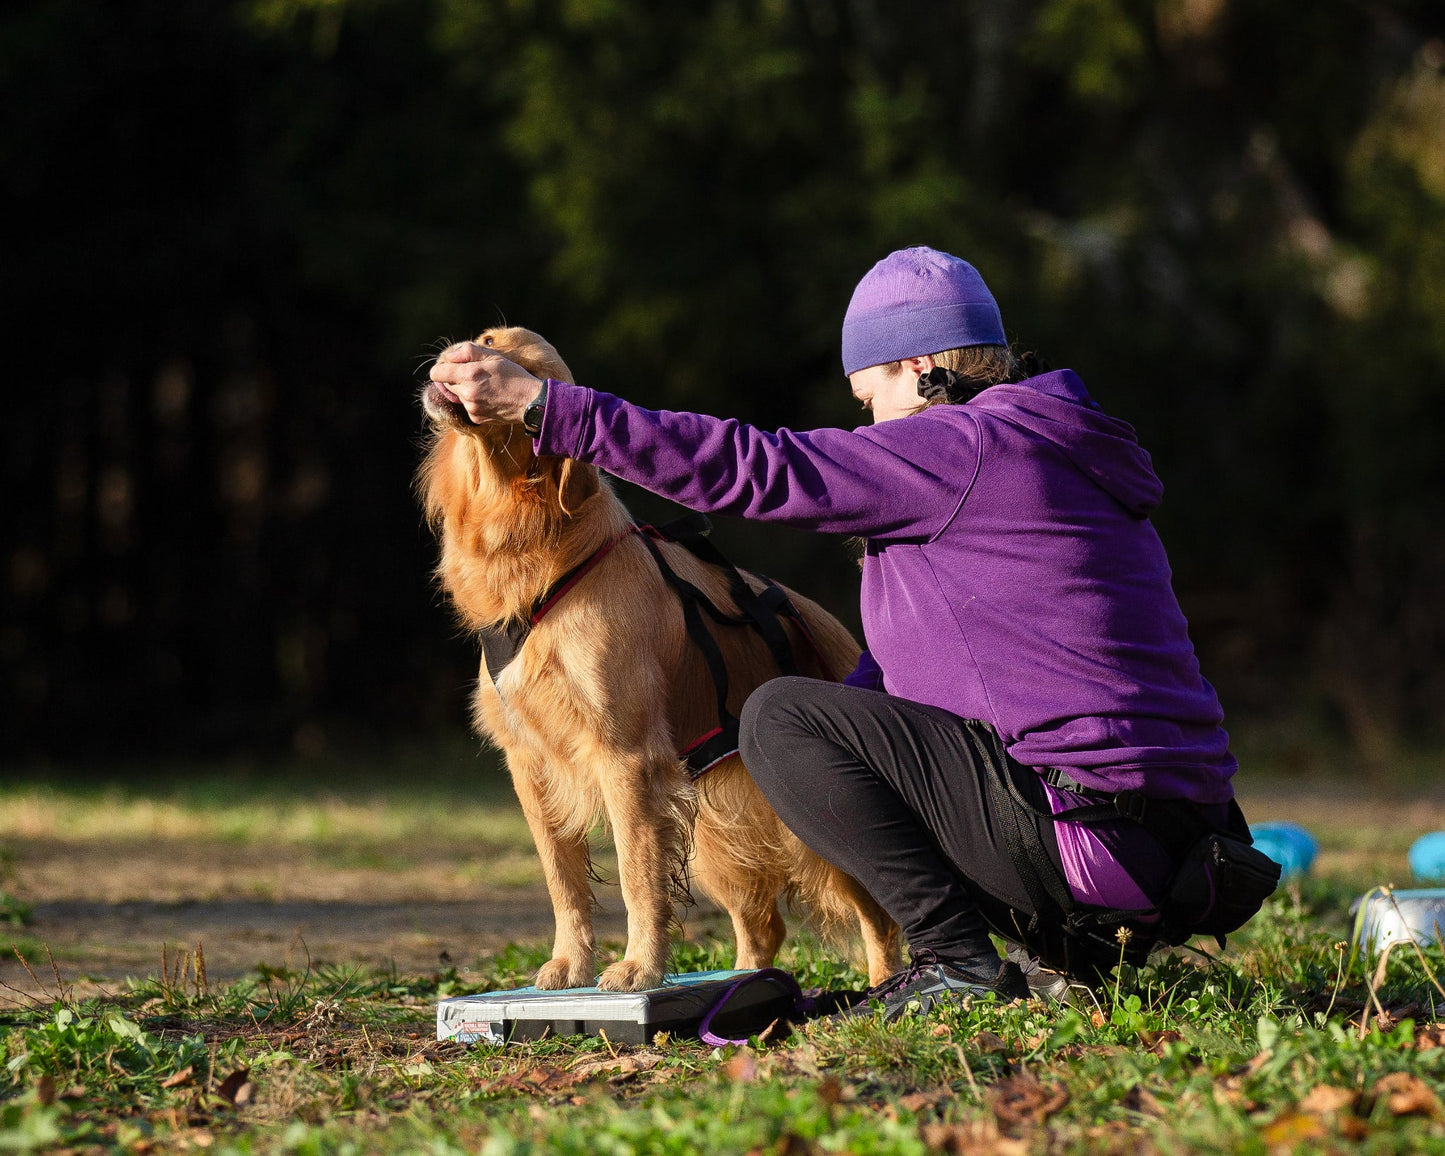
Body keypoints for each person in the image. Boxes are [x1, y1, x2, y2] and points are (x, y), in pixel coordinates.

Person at [430, 246, 1255, 1018]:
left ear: (921, 367)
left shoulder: (960, 445)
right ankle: (1067, 951)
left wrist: (547, 407)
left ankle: (955, 961)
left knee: (784, 718)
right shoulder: (1054, 449)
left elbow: (759, 467)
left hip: (1090, 840)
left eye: (869, 398)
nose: (866, 427)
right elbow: (901, 690)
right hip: (1184, 853)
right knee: (827, 714)